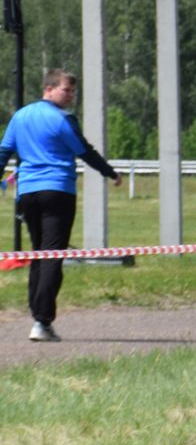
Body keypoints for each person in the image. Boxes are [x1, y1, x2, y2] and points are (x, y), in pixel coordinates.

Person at [0, 68, 121, 342]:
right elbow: (84, 150)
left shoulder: (20, 116)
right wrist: (110, 173)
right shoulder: (63, 119)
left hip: (28, 193)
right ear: (49, 88)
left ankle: (37, 316)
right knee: (53, 255)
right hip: (57, 192)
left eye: (73, 92)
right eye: (67, 90)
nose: (70, 96)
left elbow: (4, 151)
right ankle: (42, 322)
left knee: (40, 254)